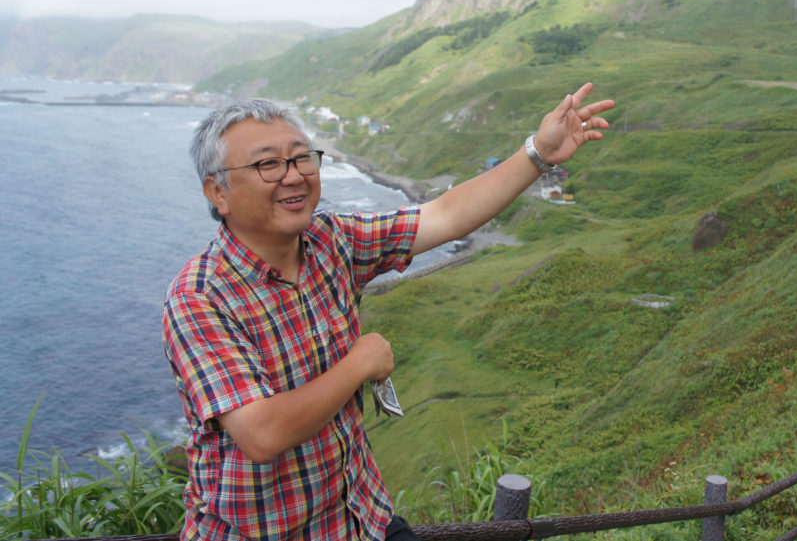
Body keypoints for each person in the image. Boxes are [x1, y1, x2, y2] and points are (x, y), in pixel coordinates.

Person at [163, 84, 614, 541]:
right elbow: (262, 434)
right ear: (217, 192)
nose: (294, 175)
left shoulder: (330, 241)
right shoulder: (200, 297)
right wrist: (361, 361)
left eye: (301, 157)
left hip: (362, 517)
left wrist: (538, 153)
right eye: (267, 164)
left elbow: (444, 216)